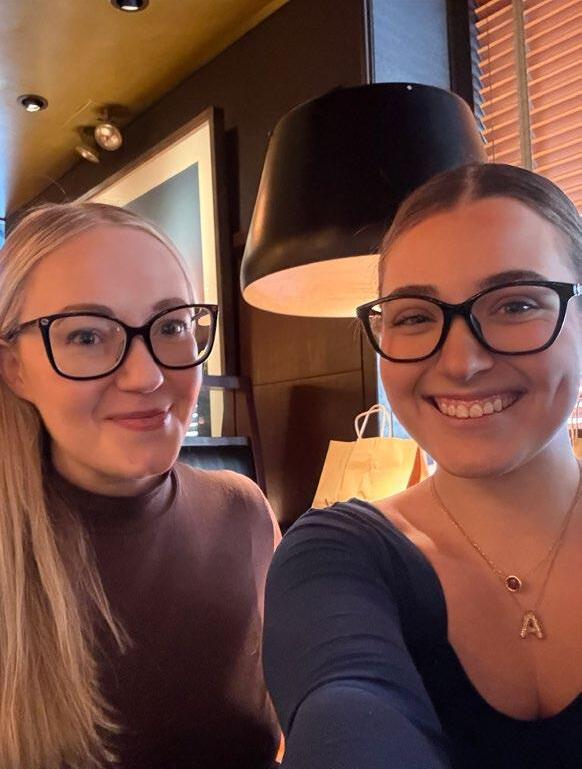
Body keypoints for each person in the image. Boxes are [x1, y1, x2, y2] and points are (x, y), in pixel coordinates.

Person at [263, 163, 582, 768]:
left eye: (516, 305)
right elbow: (345, 715)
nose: (462, 362)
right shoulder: (335, 557)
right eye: (413, 316)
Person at [0, 203, 280, 769]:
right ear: (15, 369)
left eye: (171, 326)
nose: (147, 375)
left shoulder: (242, 512)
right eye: (87, 336)